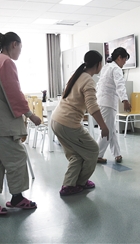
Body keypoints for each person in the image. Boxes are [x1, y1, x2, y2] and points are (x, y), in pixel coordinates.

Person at [0, 32, 41, 215]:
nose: (20, 52)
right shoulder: (5, 62)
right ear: (14, 44)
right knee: (17, 159)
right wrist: (30, 114)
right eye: (20, 48)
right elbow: (14, 92)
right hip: (0, 124)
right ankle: (17, 198)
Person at [51, 50, 109, 196]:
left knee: (76, 155)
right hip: (68, 123)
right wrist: (104, 126)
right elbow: (92, 106)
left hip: (56, 120)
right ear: (98, 64)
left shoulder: (76, 75)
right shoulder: (88, 80)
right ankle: (80, 182)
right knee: (93, 150)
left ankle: (69, 185)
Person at [96, 47, 131, 164]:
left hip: (101, 101)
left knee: (111, 129)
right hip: (108, 102)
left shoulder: (107, 66)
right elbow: (120, 85)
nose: (124, 63)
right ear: (119, 57)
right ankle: (97, 154)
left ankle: (117, 154)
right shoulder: (116, 69)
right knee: (108, 130)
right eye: (124, 60)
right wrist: (125, 100)